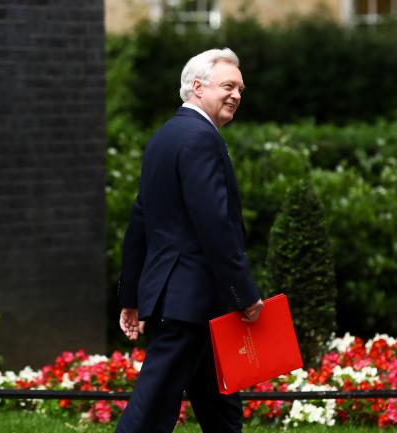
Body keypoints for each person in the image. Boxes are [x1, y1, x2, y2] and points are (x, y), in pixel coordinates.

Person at [115, 48, 264, 433]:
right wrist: (245, 293)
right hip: (191, 302)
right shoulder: (201, 139)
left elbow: (140, 219)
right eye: (228, 86)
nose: (236, 95)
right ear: (196, 87)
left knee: (222, 410)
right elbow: (215, 225)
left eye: (241, 89)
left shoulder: (164, 136)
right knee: (150, 410)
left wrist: (130, 295)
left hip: (193, 302)